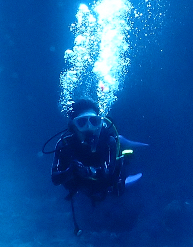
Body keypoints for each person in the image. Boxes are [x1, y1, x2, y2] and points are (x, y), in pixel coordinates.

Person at [50, 99, 135, 233]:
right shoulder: (64, 144)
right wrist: (70, 171)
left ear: (100, 122)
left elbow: (111, 173)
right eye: (82, 122)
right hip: (81, 185)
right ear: (73, 126)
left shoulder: (109, 141)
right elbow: (55, 179)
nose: (89, 127)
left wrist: (91, 172)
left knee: (118, 188)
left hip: (104, 182)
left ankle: (124, 148)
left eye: (94, 121)